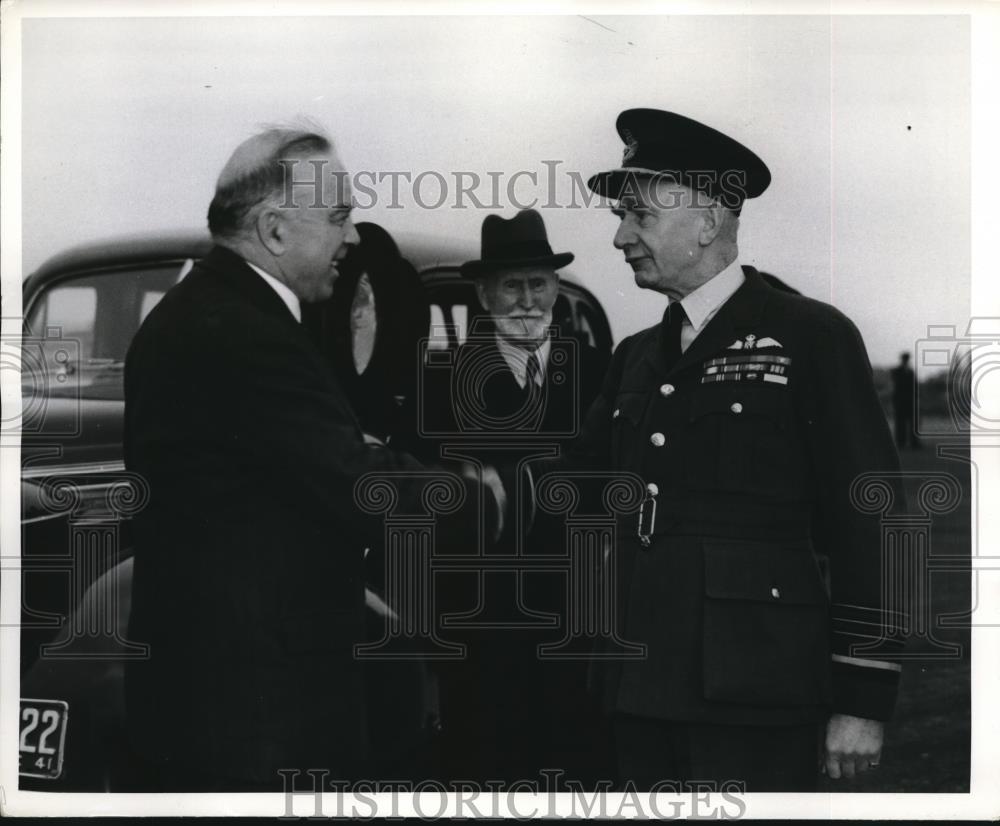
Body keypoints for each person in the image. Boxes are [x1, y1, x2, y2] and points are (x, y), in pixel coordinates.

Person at [122, 125, 503, 791]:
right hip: (258, 720)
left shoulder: (198, 313)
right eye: (337, 216)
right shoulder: (247, 333)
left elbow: (269, 495)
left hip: (207, 700)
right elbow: (356, 484)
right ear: (273, 231)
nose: (352, 237)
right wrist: (487, 498)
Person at [551, 108, 904, 791]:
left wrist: (864, 696)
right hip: (637, 682)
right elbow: (569, 487)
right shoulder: (635, 357)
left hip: (755, 691)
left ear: (708, 221)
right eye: (621, 218)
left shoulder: (808, 336)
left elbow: (872, 520)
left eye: (639, 217)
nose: (621, 236)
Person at [421, 209, 612, 786]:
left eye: (538, 283)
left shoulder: (603, 371)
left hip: (580, 615)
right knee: (486, 767)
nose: (527, 300)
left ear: (555, 287)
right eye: (511, 285)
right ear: (483, 293)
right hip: (481, 622)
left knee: (576, 766)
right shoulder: (441, 376)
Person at [890, 351, 920, 448]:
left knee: (912, 423)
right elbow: (896, 385)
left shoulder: (910, 372)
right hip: (901, 401)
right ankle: (901, 443)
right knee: (900, 423)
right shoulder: (897, 371)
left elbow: (914, 386)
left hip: (909, 401)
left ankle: (913, 442)